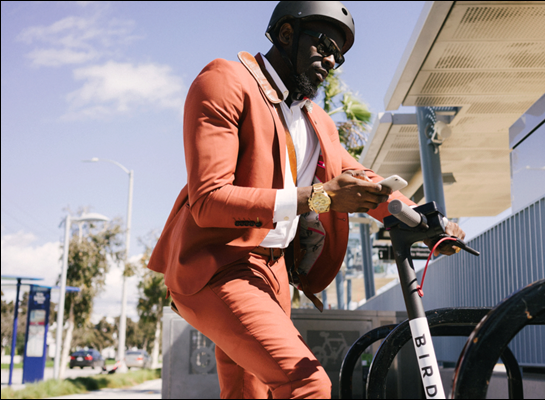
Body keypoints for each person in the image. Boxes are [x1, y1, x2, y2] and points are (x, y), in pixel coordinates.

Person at [148, 1, 465, 398]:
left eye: (339, 55)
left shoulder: (317, 122)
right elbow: (209, 200)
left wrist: (425, 220)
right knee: (306, 382)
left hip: (275, 275)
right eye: (324, 45)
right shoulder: (226, 81)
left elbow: (365, 181)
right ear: (286, 34)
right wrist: (320, 198)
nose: (331, 60)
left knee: (248, 394)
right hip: (219, 264)